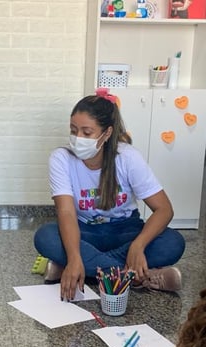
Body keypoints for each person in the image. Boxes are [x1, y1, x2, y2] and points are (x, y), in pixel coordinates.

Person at [33, 91, 186, 301]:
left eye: (87, 132)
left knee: (173, 242)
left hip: (125, 232)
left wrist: (138, 245)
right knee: (46, 236)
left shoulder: (127, 157)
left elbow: (164, 209)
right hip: (84, 233)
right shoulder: (61, 159)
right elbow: (66, 212)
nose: (78, 139)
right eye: (73, 130)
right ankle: (138, 276)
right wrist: (76, 254)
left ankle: (79, 269)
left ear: (106, 133)